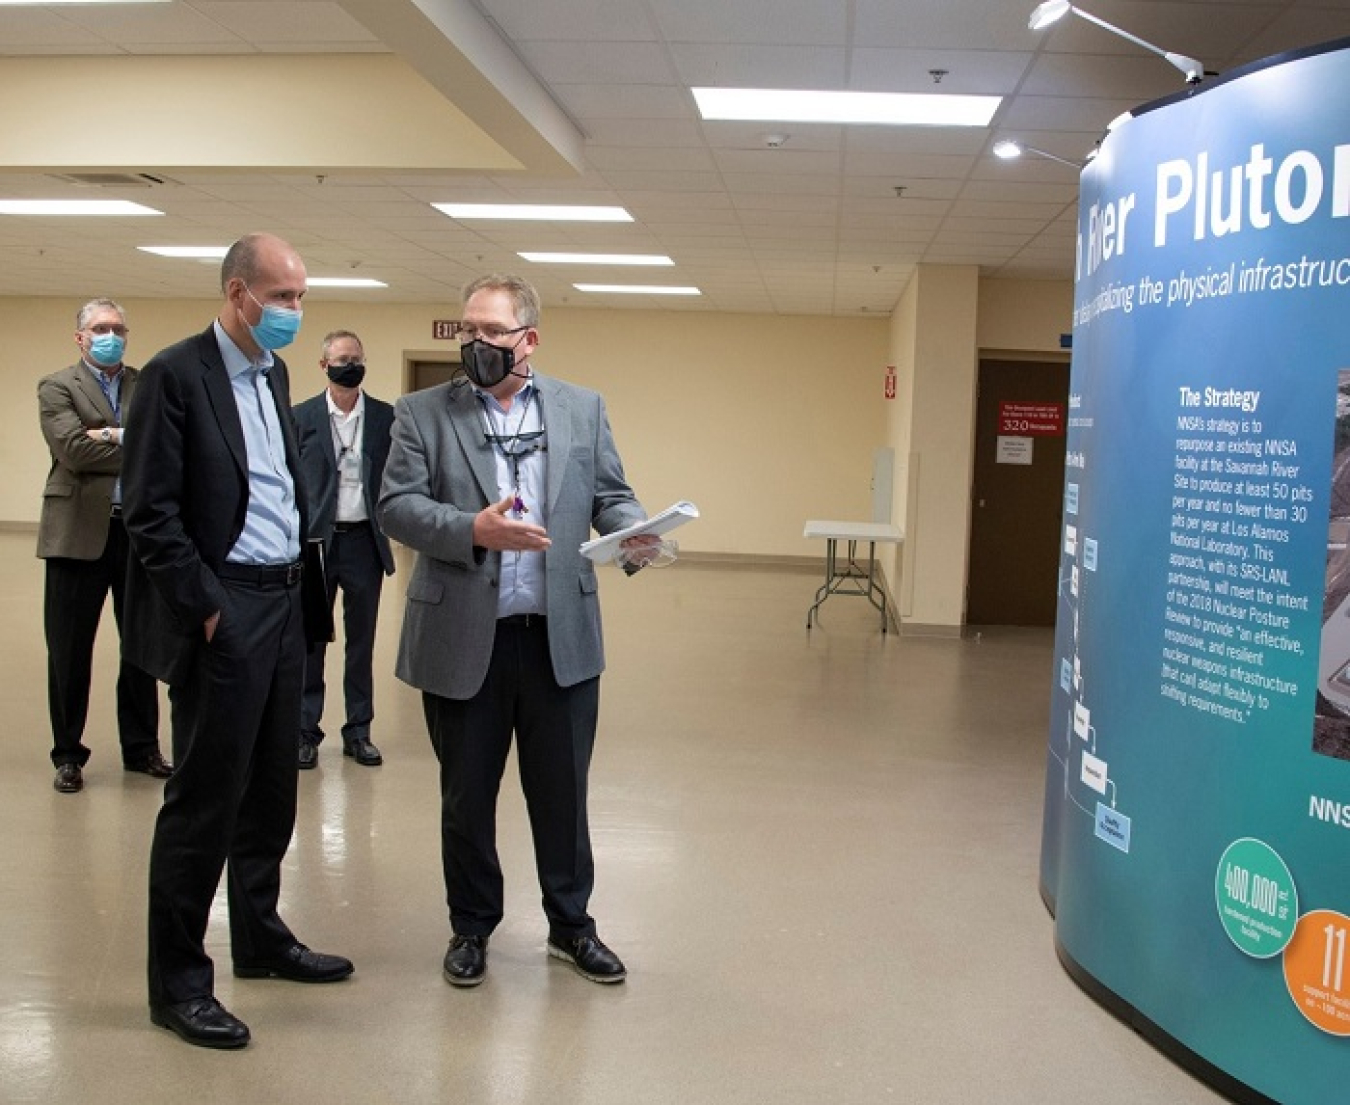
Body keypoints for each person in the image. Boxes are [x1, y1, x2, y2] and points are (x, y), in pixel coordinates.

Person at [379, 273, 656, 989]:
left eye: (491, 332)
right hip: (464, 640)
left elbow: (612, 495)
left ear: (527, 339)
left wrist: (632, 533)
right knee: (466, 795)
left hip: (558, 638)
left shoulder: (580, 409)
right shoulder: (421, 413)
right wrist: (471, 528)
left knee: (561, 793)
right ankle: (471, 927)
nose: (475, 343)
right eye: (466, 329)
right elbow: (397, 507)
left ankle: (572, 925)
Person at [121, 233, 353, 1050]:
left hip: (287, 600)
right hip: (229, 608)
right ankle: (179, 982)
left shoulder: (276, 373)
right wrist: (208, 607)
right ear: (236, 291)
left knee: (269, 790)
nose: (293, 310)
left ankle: (259, 936)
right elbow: (148, 509)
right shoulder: (174, 375)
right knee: (204, 797)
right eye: (281, 296)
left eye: (300, 296)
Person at [37, 298, 168, 794]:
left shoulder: (146, 381)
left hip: (138, 531)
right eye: (99, 327)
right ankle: (68, 754)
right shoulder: (56, 386)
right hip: (76, 534)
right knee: (69, 650)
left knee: (141, 645)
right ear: (80, 337)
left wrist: (111, 434)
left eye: (117, 327)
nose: (110, 334)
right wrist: (135, 445)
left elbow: (163, 445)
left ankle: (142, 748)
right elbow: (71, 449)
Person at [293, 329, 395, 769]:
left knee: (362, 642)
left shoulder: (385, 418)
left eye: (356, 357)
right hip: (316, 544)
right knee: (311, 641)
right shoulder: (300, 417)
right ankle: (304, 731)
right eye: (341, 358)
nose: (349, 364)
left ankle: (358, 730)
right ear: (324, 366)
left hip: (363, 543)